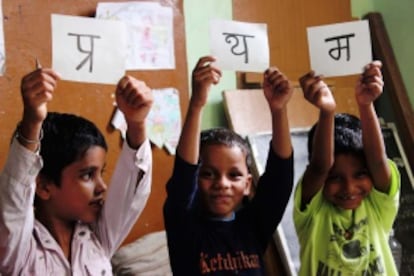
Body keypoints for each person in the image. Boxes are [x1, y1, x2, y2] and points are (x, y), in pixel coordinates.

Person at [0, 66, 153, 275]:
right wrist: (32, 121)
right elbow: (15, 195)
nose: (102, 187)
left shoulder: (98, 237)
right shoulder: (19, 249)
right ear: (44, 186)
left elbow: (132, 190)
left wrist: (136, 124)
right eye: (88, 175)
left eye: (101, 173)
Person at [163, 55, 294, 275]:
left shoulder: (253, 225)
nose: (222, 184)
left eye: (234, 175)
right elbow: (183, 177)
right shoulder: (185, 227)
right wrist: (197, 104)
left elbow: (280, 179)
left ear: (248, 185)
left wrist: (278, 110)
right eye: (208, 174)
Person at [294, 60, 401, 275]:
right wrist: (327, 112)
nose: (349, 188)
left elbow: (378, 161)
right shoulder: (313, 212)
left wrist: (365, 104)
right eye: (334, 178)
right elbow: (320, 167)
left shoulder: (378, 207)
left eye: (360, 174)